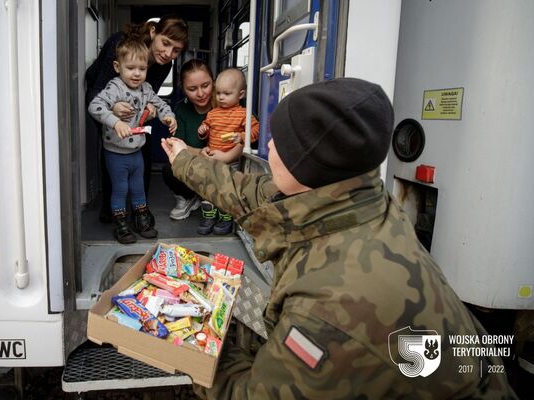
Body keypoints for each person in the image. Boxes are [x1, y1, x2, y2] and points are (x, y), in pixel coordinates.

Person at [161, 78, 516, 399]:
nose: (268, 144)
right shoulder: (360, 196)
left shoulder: (328, 313)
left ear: (307, 163)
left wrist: (194, 341)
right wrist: (185, 160)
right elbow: (249, 193)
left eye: (279, 140)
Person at [85, 15, 188, 224]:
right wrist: (113, 108)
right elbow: (96, 91)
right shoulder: (119, 44)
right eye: (165, 43)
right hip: (103, 95)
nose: (168, 53)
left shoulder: (164, 65)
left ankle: (141, 209)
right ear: (153, 33)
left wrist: (152, 110)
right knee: (112, 151)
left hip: (135, 107)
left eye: (176, 50)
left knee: (144, 146)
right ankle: (111, 210)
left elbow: (150, 95)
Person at [162, 60, 245, 221]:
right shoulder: (181, 109)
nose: (200, 93)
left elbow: (249, 135)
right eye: (192, 89)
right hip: (197, 165)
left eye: (205, 85)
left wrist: (227, 155)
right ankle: (188, 198)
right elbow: (178, 144)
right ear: (183, 89)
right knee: (169, 169)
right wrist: (200, 152)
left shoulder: (229, 101)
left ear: (214, 82)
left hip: (226, 164)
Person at [195, 67, 259, 235]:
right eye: (218, 93)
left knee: (227, 189)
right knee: (208, 188)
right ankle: (209, 215)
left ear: (241, 94)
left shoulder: (243, 114)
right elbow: (207, 128)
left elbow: (256, 130)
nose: (221, 97)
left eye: (227, 93)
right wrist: (203, 131)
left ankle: (226, 217)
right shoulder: (213, 113)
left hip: (231, 160)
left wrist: (242, 137)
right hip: (211, 158)